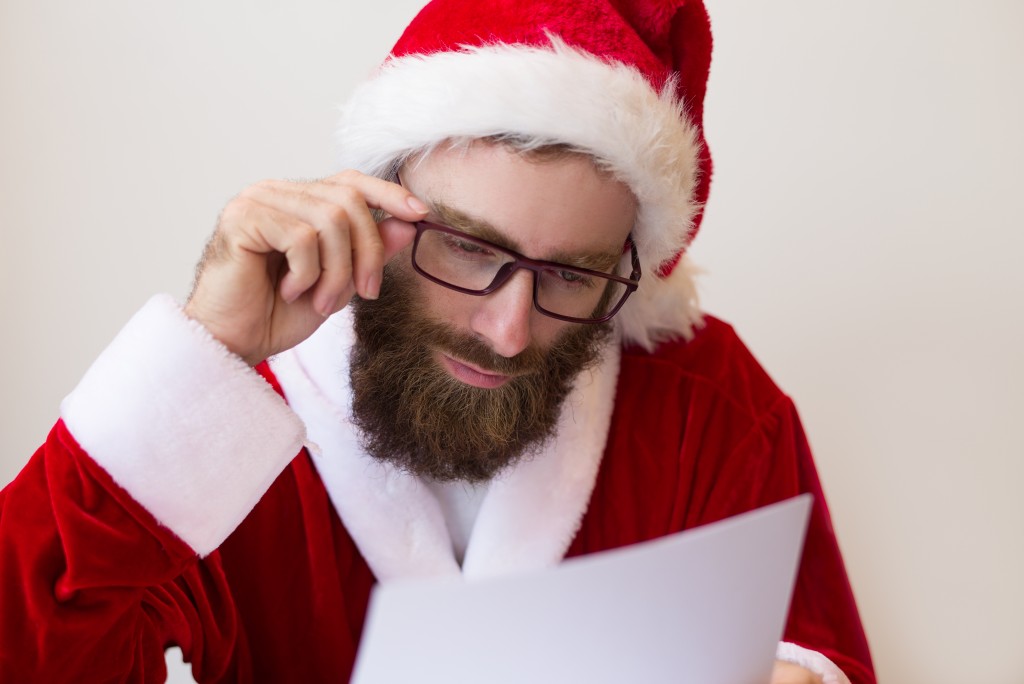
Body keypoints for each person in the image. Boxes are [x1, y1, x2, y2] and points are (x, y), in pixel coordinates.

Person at [0, 0, 875, 682]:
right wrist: (211, 347)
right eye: (466, 245)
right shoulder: (232, 412)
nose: (508, 329)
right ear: (377, 204)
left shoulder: (707, 402)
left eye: (572, 273)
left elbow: (814, 646)